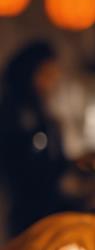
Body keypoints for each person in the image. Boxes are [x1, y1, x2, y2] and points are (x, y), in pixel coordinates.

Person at [0, 41, 71, 237]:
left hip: (44, 214)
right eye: (47, 73)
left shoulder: (47, 119)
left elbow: (57, 163)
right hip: (21, 214)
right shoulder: (15, 116)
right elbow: (22, 167)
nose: (54, 80)